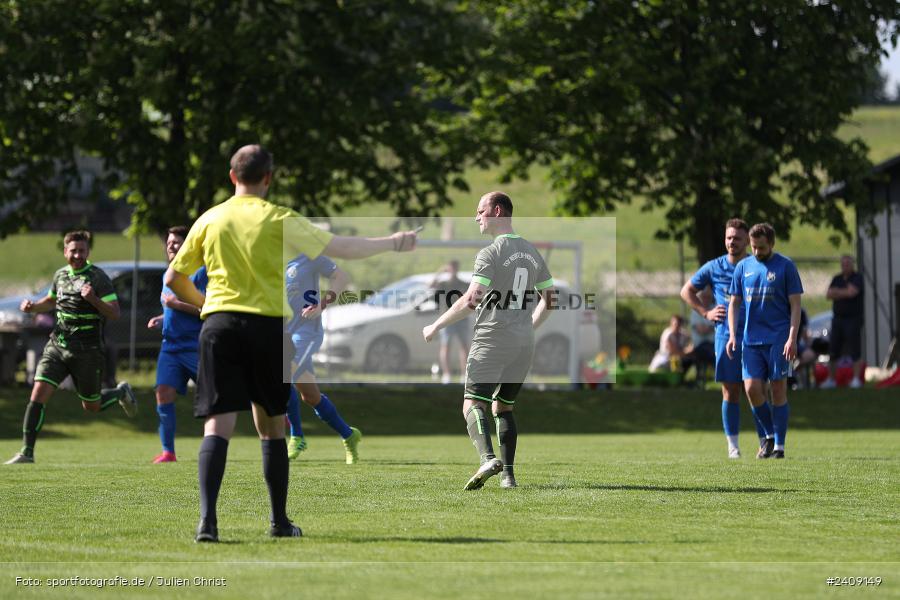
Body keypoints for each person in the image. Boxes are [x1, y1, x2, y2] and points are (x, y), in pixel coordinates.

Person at [165, 144, 418, 543]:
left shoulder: (209, 220)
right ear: (268, 177)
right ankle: (279, 522)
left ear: (232, 176)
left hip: (220, 326)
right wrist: (394, 241)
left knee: (218, 424)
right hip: (269, 328)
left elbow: (173, 279)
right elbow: (343, 248)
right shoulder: (280, 218)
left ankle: (207, 524)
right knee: (271, 429)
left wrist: (207, 307)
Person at [422, 191, 555, 490]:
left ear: (497, 211)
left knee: (472, 404)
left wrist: (436, 325)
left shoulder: (490, 253)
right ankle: (508, 477)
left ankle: (488, 458)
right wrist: (530, 325)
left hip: (492, 339)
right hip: (523, 344)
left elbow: (471, 299)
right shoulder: (533, 252)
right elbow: (551, 299)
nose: (476, 217)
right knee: (504, 407)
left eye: (480, 211)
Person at [5, 230, 137, 465]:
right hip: (58, 345)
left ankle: (120, 393)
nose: (77, 255)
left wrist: (93, 299)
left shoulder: (98, 278)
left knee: (91, 406)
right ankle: (27, 452)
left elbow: (115, 313)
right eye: (73, 250)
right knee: (38, 393)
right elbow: (52, 300)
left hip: (87, 350)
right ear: (65, 251)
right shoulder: (60, 275)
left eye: (82, 251)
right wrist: (32, 307)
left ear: (88, 252)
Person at [681, 218, 771, 459]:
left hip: (756, 336)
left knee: (756, 388)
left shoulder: (758, 264)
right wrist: (706, 312)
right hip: (725, 336)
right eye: (729, 237)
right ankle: (733, 446)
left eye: (737, 238)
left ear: (746, 241)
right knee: (730, 390)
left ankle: (766, 440)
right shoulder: (714, 267)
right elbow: (686, 290)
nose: (732, 241)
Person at [727, 223, 803, 460]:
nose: (757, 252)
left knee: (779, 389)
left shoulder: (786, 266)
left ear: (771, 243)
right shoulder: (743, 267)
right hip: (751, 340)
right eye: (754, 247)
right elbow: (734, 303)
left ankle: (779, 446)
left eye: (761, 247)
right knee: (750, 389)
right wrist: (732, 334)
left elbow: (796, 306)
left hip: (779, 339)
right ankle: (769, 434)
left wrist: (792, 337)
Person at [283, 252, 360, 463]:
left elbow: (341, 277)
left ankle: (297, 436)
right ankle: (349, 434)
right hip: (280, 334)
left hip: (306, 332)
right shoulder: (266, 254)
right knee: (310, 396)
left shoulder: (308, 254)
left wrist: (322, 305)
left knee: (284, 374)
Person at [146, 226, 208, 463]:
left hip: (195, 346)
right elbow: (170, 306)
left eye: (177, 242)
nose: (172, 246)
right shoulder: (168, 273)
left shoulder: (199, 272)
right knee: (163, 392)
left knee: (210, 398)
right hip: (170, 347)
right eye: (170, 242)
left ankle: (210, 448)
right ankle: (168, 451)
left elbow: (206, 308)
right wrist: (161, 318)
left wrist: (176, 306)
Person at [822, 255, 864, 389]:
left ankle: (856, 379)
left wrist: (837, 292)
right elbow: (828, 294)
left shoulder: (857, 278)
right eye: (843, 264)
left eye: (847, 264)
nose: (845, 266)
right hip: (837, 319)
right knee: (833, 350)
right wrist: (843, 292)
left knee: (854, 349)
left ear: (852, 264)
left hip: (853, 319)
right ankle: (831, 380)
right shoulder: (837, 278)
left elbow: (852, 293)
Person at [429, 260, 470, 384]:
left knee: (464, 346)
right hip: (447, 319)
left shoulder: (462, 283)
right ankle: (447, 374)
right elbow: (430, 285)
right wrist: (440, 272)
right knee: (446, 346)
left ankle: (464, 375)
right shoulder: (443, 283)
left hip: (461, 318)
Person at [686, 288, 716, 385]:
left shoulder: (715, 308)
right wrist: (713, 326)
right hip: (700, 345)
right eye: (704, 297)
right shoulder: (696, 311)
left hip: (713, 344)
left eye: (708, 297)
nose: (706, 299)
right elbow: (701, 331)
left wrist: (709, 327)